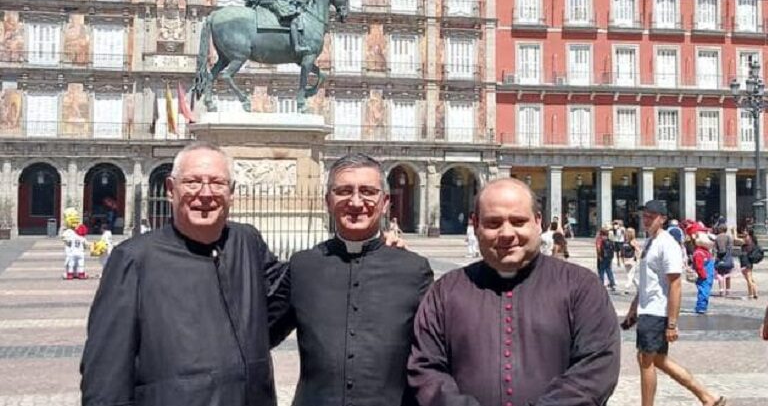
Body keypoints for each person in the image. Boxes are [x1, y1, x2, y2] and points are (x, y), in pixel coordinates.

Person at [81, 142, 286, 406]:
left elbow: (283, 301)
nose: (205, 193)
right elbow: (105, 373)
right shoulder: (133, 258)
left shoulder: (246, 242)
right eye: (192, 182)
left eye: (218, 183)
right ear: (170, 189)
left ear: (232, 192)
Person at [408, 178, 620, 406]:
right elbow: (426, 368)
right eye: (493, 223)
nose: (506, 233)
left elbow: (596, 367)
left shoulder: (582, 287)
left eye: (518, 221)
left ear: (538, 222)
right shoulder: (446, 292)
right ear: (476, 224)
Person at [269, 154, 433, 406]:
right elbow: (258, 335)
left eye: (368, 191)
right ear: (328, 201)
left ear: (385, 201)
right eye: (344, 191)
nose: (356, 202)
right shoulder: (303, 266)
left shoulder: (414, 269)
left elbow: (436, 351)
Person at [622, 200, 725, 406]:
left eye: (651, 216)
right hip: (647, 309)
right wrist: (633, 310)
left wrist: (672, 323)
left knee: (646, 361)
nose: (646, 220)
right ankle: (707, 396)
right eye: (644, 216)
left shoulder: (666, 244)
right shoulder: (651, 242)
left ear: (662, 219)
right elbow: (646, 283)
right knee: (659, 360)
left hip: (657, 311)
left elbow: (675, 285)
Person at [688, 222, 715, 315]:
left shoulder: (706, 251)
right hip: (704, 276)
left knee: (706, 291)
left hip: (708, 276)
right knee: (703, 291)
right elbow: (699, 266)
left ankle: (703, 306)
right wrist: (702, 274)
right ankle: (701, 306)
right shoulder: (699, 252)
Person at [62, 208, 88, 280]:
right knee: (81, 264)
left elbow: (66, 240)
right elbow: (86, 244)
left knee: (71, 263)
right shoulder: (81, 236)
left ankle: (70, 274)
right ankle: (81, 274)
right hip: (80, 252)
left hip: (72, 252)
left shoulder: (69, 233)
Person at [713, 225, 735, 297]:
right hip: (728, 258)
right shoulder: (729, 237)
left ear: (720, 230)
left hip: (719, 258)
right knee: (728, 275)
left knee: (720, 274)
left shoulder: (717, 238)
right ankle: (728, 290)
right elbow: (731, 248)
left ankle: (721, 290)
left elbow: (715, 249)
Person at [739, 229, 759, 300]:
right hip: (748, 263)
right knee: (750, 279)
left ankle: (750, 295)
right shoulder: (752, 242)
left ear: (749, 235)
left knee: (749, 279)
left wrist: (734, 231)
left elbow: (736, 240)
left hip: (746, 263)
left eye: (746, 234)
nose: (744, 235)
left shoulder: (748, 242)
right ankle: (755, 293)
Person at [621, 227, 641, 294]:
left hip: (631, 260)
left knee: (630, 276)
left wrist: (638, 259)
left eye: (627, 232)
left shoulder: (633, 241)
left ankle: (626, 288)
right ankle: (639, 288)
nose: (626, 233)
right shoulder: (625, 241)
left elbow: (638, 250)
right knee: (630, 276)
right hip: (626, 260)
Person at [597, 225, 617, 292]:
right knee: (609, 270)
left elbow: (598, 248)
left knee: (601, 271)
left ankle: (601, 284)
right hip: (609, 257)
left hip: (602, 257)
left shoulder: (600, 239)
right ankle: (612, 283)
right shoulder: (609, 239)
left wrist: (599, 256)